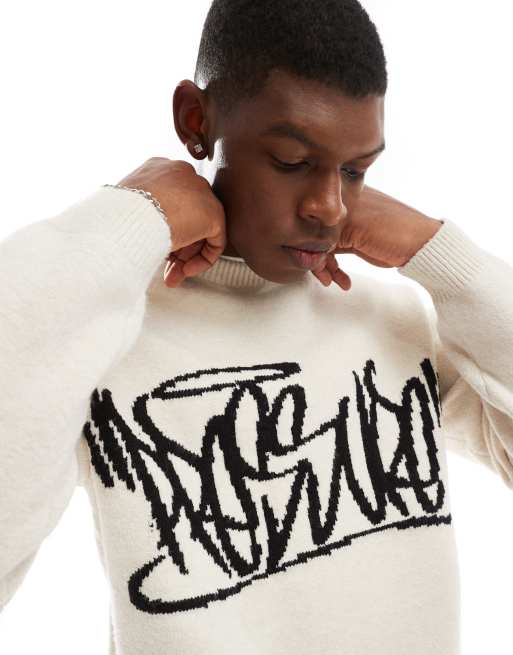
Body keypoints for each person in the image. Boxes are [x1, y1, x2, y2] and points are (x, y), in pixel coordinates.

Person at [1, 0, 512, 653]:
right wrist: (131, 219)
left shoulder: (394, 324)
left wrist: (438, 253)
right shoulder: (104, 334)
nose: (329, 207)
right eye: (292, 161)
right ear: (196, 121)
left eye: (355, 171)